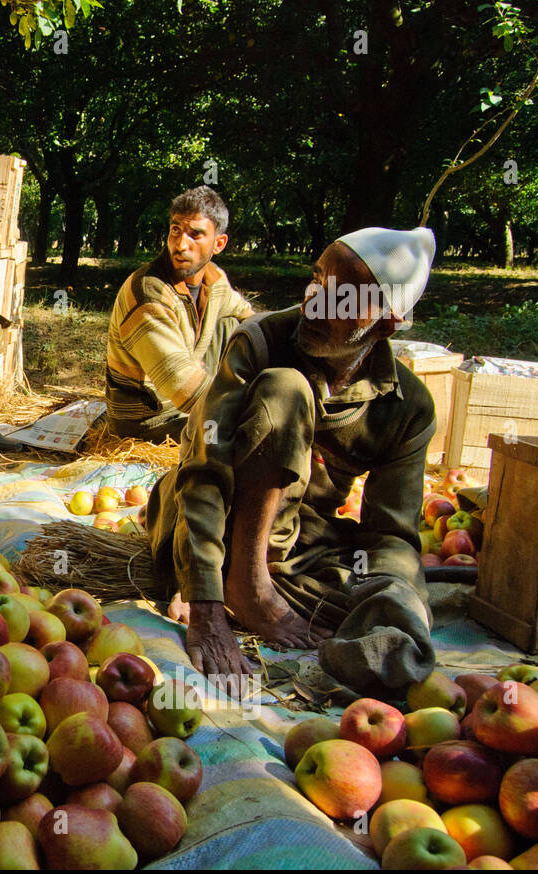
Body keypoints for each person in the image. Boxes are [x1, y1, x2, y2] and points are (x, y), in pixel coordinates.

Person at [146, 226, 439, 698]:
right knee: (286, 388)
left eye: (344, 298)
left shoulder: (409, 408)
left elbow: (389, 534)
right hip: (215, 516)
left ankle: (266, 583)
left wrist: (397, 603)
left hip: (296, 538)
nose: (315, 303)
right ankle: (243, 582)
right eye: (317, 279)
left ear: (386, 324)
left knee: (392, 596)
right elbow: (204, 472)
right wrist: (205, 601)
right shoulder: (260, 342)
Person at [105, 187, 254, 442]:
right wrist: (254, 410)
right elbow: (185, 390)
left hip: (185, 407)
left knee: (237, 326)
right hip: (148, 421)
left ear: (218, 244)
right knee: (243, 439)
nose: (181, 245)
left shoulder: (214, 279)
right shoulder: (148, 291)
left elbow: (247, 315)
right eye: (176, 230)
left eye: (195, 234)